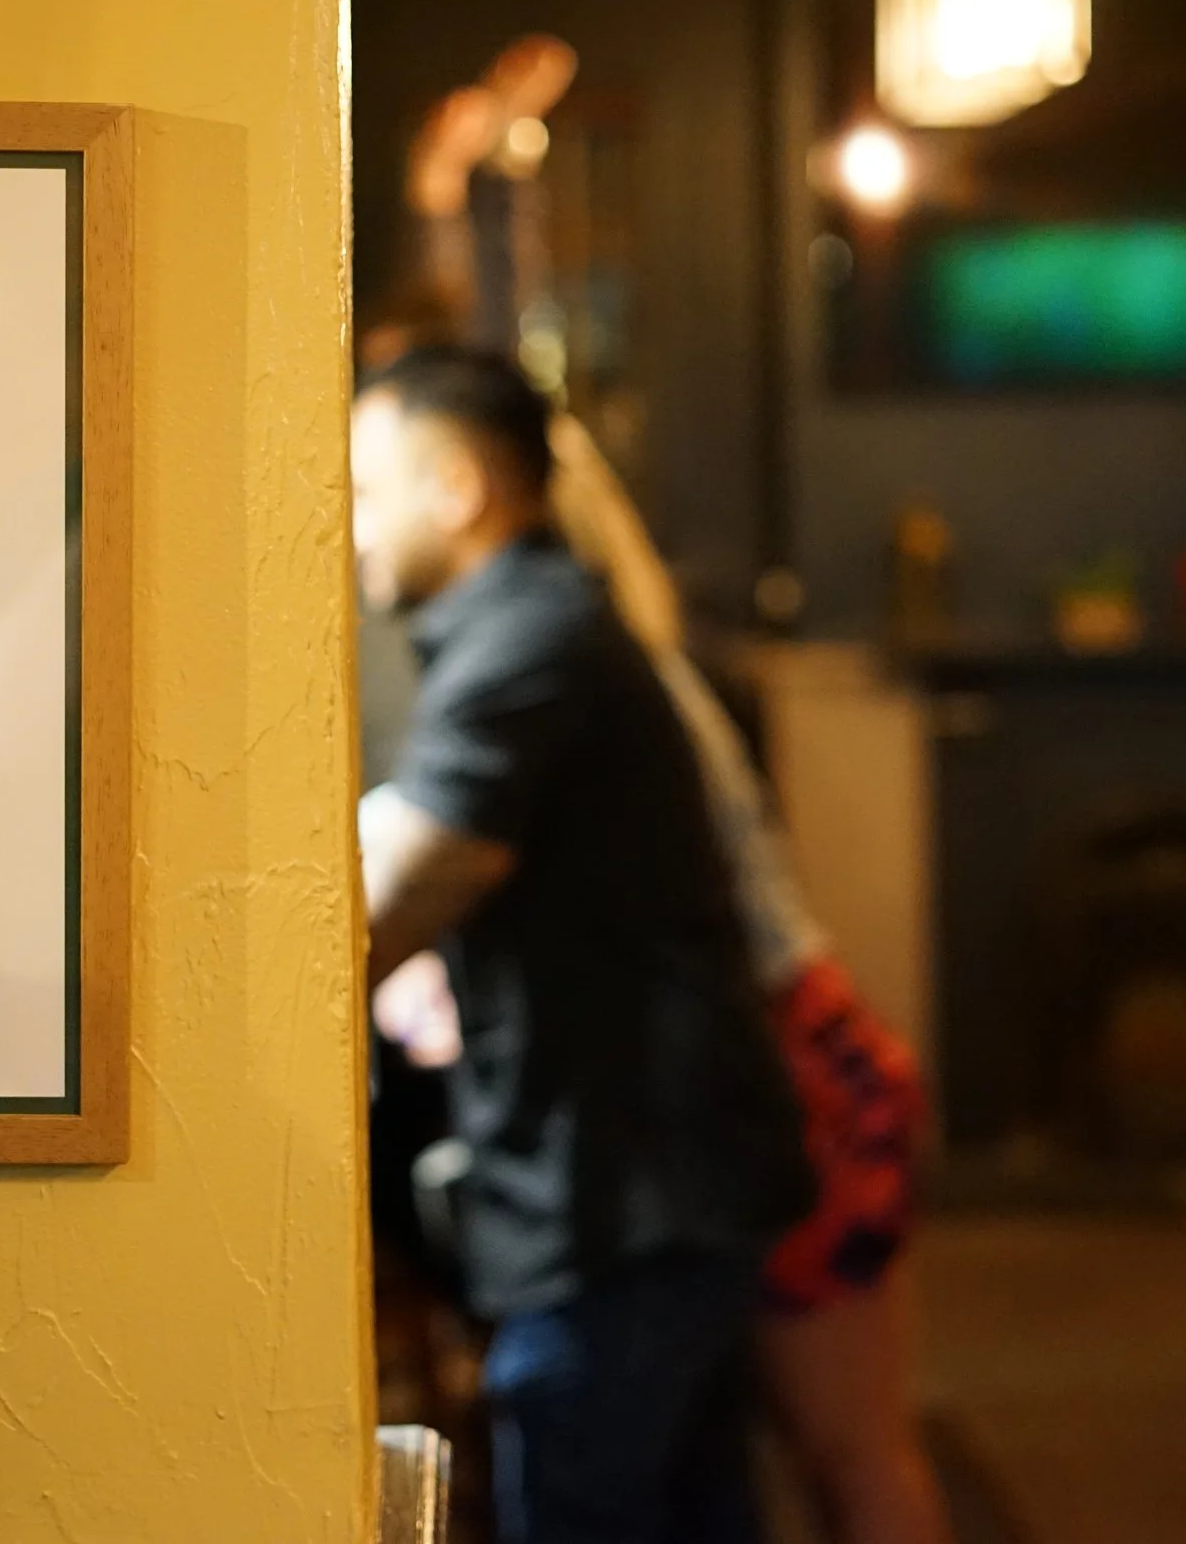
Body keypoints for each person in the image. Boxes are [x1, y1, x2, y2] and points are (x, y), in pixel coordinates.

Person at [352, 343, 816, 1544]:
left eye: (364, 491)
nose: (347, 530)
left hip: (624, 1192)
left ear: (457, 487)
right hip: (662, 1175)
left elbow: (385, 900)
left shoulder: (527, 638)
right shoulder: (536, 622)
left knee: (583, 1494)